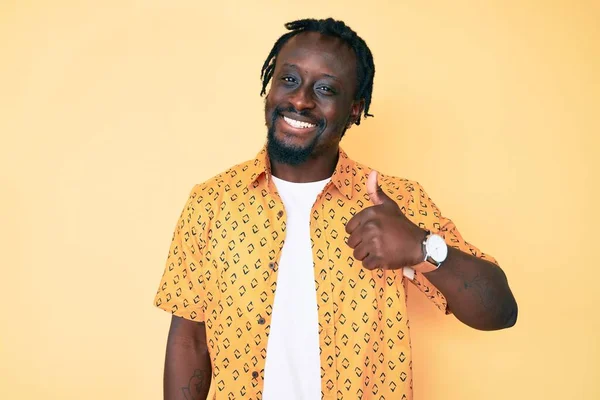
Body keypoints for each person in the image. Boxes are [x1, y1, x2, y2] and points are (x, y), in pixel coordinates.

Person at [154, 18, 517, 400]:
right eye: (289, 80)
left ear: (355, 109)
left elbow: (500, 313)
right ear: (269, 87)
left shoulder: (396, 202)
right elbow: (190, 340)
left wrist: (423, 247)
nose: (300, 100)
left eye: (325, 89)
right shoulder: (212, 201)